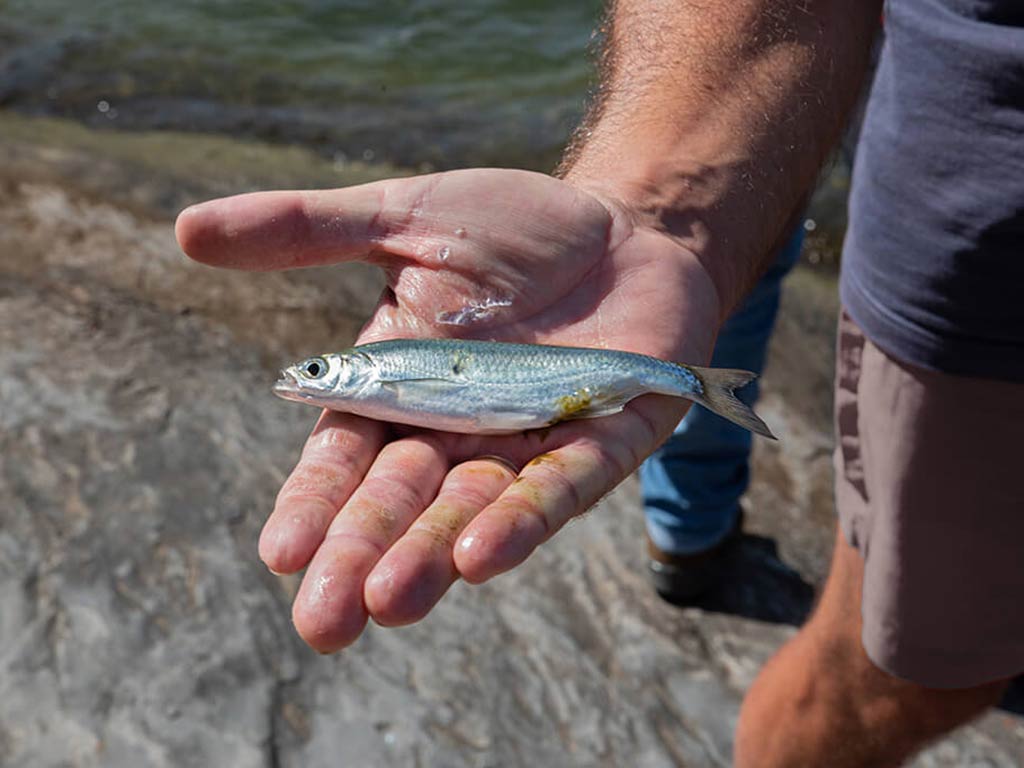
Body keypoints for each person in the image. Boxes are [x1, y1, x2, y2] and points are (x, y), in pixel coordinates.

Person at [175, 0, 1024, 764]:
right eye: (321, 376)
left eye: (324, 374)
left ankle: (690, 524)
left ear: (360, 372)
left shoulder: (384, 374)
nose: (314, 380)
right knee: (915, 659)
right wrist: (653, 209)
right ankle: (691, 529)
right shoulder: (383, 380)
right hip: (975, 261)